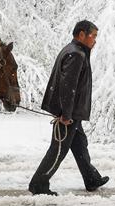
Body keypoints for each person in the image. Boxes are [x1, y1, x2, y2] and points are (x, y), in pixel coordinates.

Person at [28, 20, 109, 196]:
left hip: (73, 112)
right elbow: (68, 86)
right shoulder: (76, 54)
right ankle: (38, 184)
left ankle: (91, 178)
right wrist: (66, 114)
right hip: (69, 113)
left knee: (80, 145)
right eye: (93, 36)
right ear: (81, 35)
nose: (95, 40)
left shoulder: (73, 50)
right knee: (58, 150)